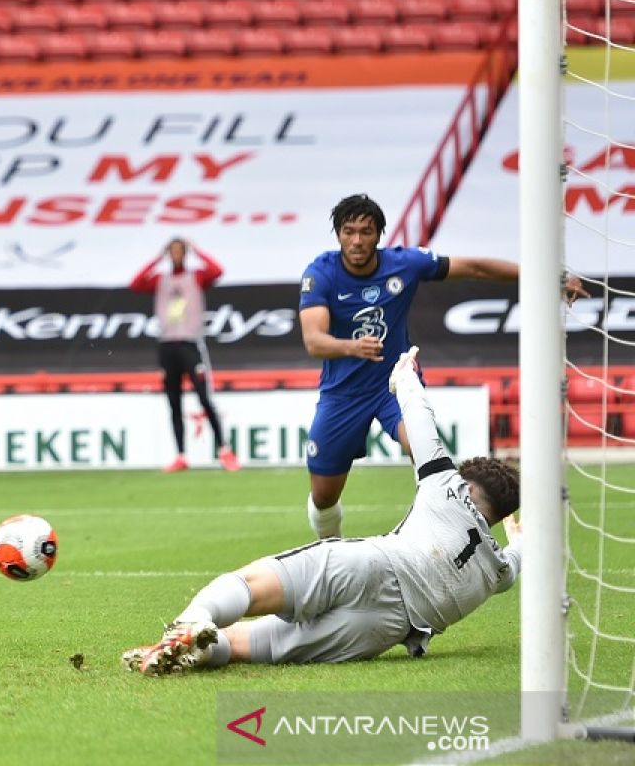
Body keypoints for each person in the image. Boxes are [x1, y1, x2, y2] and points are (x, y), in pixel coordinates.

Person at [123, 346, 523, 674]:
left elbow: (421, 423)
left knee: (251, 585)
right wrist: (520, 541)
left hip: (376, 566)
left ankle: (189, 623)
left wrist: (405, 377)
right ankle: (200, 651)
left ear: (467, 486)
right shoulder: (498, 571)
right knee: (260, 644)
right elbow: (516, 561)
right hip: (384, 629)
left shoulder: (447, 487)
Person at [297, 193, 587, 539]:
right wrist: (351, 346)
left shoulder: (404, 264)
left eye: (366, 231)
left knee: (424, 451)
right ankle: (330, 548)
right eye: (349, 231)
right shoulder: (321, 273)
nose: (357, 240)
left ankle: (442, 539)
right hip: (342, 394)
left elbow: (475, 268)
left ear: (379, 234)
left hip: (395, 383)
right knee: (324, 497)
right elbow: (314, 341)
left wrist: (546, 277)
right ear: (338, 234)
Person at [130, 238, 240, 473]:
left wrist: (197, 250)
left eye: (181, 251)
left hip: (190, 344)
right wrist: (156, 259)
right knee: (174, 401)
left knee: (203, 397)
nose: (177, 255)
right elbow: (136, 283)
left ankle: (224, 449)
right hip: (167, 345)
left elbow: (217, 271)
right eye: (173, 251)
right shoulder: (161, 280)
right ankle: (181, 455)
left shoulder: (196, 276)